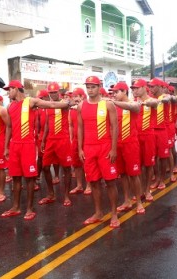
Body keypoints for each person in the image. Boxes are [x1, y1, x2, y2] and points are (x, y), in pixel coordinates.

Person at [1, 80, 73, 221]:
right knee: (15, 177)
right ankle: (15, 207)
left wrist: (67, 103)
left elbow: (51, 104)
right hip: (15, 145)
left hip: (27, 144)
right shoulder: (10, 106)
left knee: (29, 178)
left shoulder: (31, 101)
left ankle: (29, 209)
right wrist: (6, 147)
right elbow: (9, 127)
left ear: (16, 89)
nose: (8, 92)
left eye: (9, 89)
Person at [77, 76, 120, 228]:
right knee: (94, 182)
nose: (90, 89)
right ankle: (98, 212)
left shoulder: (108, 104)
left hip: (105, 147)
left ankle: (114, 213)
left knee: (110, 182)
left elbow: (115, 127)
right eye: (88, 87)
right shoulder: (81, 105)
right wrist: (80, 148)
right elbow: (80, 128)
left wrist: (113, 148)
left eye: (93, 86)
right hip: (89, 148)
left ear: (99, 87)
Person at [110, 82, 145, 215]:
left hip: (130, 144)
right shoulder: (113, 106)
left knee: (134, 174)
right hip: (118, 144)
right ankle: (126, 200)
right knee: (123, 174)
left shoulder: (134, 103)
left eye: (117, 92)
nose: (114, 95)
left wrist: (113, 102)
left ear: (124, 91)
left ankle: (139, 202)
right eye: (113, 92)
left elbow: (134, 108)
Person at [39, 82, 73, 207]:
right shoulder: (48, 106)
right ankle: (51, 194)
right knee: (45, 167)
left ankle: (66, 195)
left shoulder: (64, 103)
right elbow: (47, 124)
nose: (52, 95)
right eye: (50, 93)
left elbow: (68, 103)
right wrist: (43, 140)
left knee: (66, 168)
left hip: (63, 139)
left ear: (58, 92)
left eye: (54, 92)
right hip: (51, 139)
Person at [69, 87, 92, 195]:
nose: (75, 99)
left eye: (77, 96)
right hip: (75, 140)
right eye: (73, 96)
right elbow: (71, 125)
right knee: (77, 164)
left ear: (82, 96)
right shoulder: (72, 110)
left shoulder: (87, 108)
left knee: (87, 163)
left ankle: (89, 185)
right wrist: (71, 138)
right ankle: (79, 185)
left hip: (86, 139)